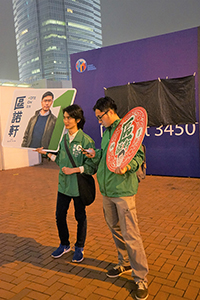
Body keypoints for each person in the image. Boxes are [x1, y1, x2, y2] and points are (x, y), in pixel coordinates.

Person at [84, 96, 149, 300]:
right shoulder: (108, 132)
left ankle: (141, 278)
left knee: (131, 234)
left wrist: (128, 166)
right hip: (107, 190)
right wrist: (96, 153)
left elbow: (138, 156)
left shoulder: (128, 129)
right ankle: (124, 263)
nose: (99, 121)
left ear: (109, 112)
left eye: (99, 117)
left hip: (123, 191)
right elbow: (109, 153)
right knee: (116, 229)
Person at [36, 104, 96, 263]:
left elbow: (91, 167)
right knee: (59, 216)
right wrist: (46, 153)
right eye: (64, 117)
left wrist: (75, 170)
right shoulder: (62, 140)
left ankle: (79, 247)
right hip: (63, 185)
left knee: (80, 217)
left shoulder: (86, 141)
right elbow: (60, 160)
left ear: (77, 119)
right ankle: (64, 244)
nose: (66, 121)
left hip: (78, 187)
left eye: (69, 118)